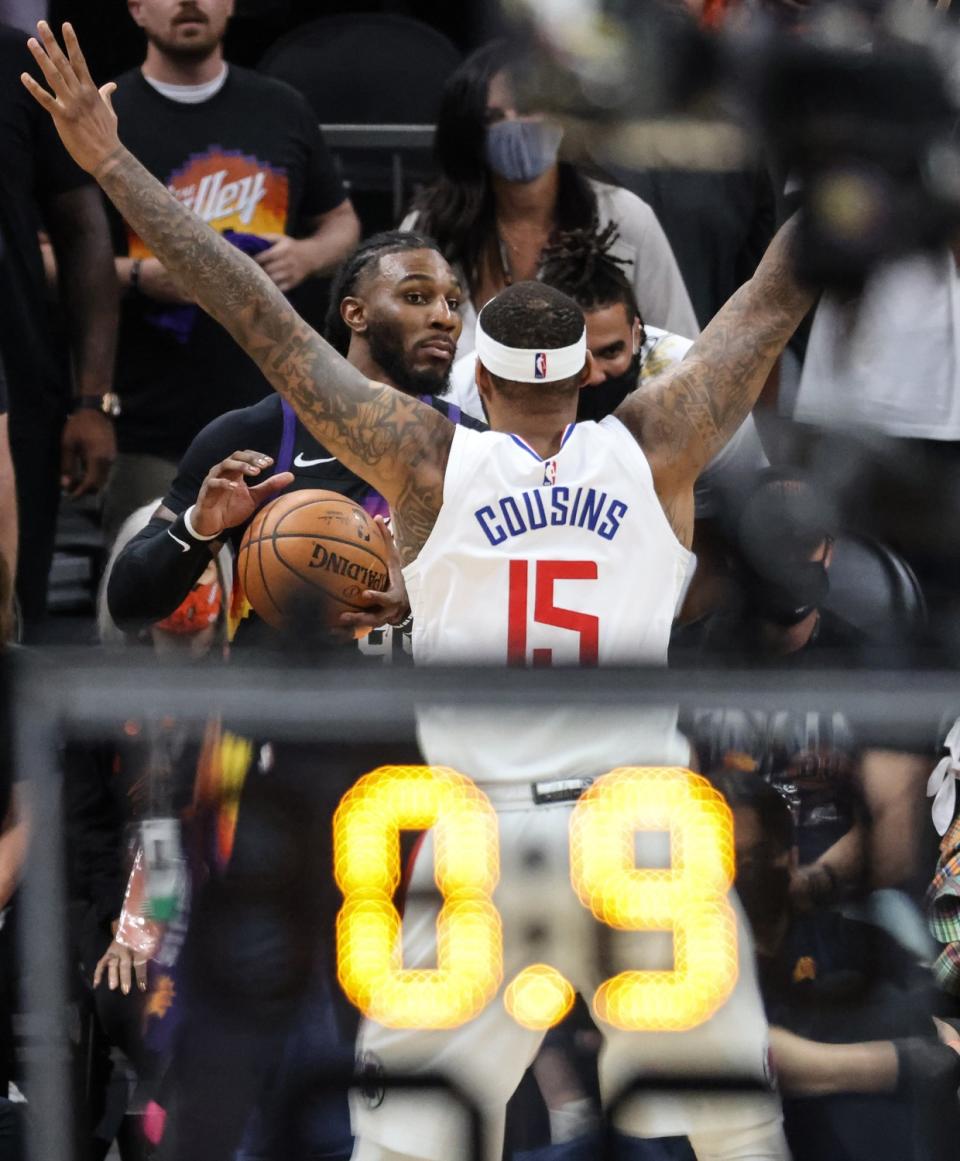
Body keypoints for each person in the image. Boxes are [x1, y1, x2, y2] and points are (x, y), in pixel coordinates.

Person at [22, 22, 814, 1161]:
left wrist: (110, 163)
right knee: (737, 1132)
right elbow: (779, 289)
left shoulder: (430, 458)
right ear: (595, 366)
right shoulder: (660, 446)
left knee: (407, 1143)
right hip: (645, 836)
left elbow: (255, 307)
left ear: (479, 374)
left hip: (481, 840)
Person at [106, 231, 483, 651]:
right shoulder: (252, 437)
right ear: (355, 314)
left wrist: (418, 598)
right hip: (276, 707)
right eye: (416, 297)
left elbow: (513, 602)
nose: (445, 318)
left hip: (416, 708)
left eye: (452, 302)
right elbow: (128, 605)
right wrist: (197, 528)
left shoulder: (475, 448)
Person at [101, 0, 361, 544]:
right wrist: (138, 276)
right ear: (137, 10)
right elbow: (52, 253)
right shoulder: (107, 114)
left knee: (275, 601)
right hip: (151, 415)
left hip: (276, 414)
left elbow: (342, 224)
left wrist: (305, 255)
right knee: (156, 605)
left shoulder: (281, 106)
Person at [400, 41, 699, 360]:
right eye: (494, 116)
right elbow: (395, 358)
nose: (517, 125)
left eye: (529, 108)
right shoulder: (429, 227)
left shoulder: (624, 217)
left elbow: (679, 353)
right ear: (470, 132)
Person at [0, 20, 118, 638]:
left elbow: (83, 231)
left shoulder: (23, 62)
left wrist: (91, 398)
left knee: (13, 610)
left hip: (18, 388)